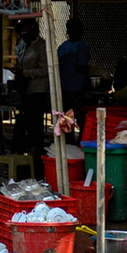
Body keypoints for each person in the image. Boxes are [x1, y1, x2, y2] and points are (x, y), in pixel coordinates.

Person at [13, 18, 50, 166]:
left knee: (35, 126)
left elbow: (46, 69)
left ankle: (35, 160)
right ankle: (21, 157)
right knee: (22, 123)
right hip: (24, 90)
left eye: (27, 35)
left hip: (37, 90)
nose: (25, 38)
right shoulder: (22, 44)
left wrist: (26, 73)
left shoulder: (42, 46)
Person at [57, 16, 92, 121]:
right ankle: (82, 137)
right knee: (81, 118)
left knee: (67, 118)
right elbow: (81, 67)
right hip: (76, 89)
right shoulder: (81, 47)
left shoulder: (63, 47)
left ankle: (68, 137)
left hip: (62, 88)